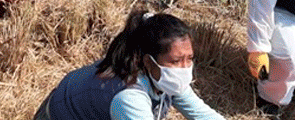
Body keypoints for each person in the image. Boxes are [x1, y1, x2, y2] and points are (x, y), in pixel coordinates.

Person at [35, 10, 224, 120]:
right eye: (176, 61)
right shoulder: (128, 98)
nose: (184, 68)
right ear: (149, 62)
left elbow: (203, 115)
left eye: (189, 58)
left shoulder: (165, 76)